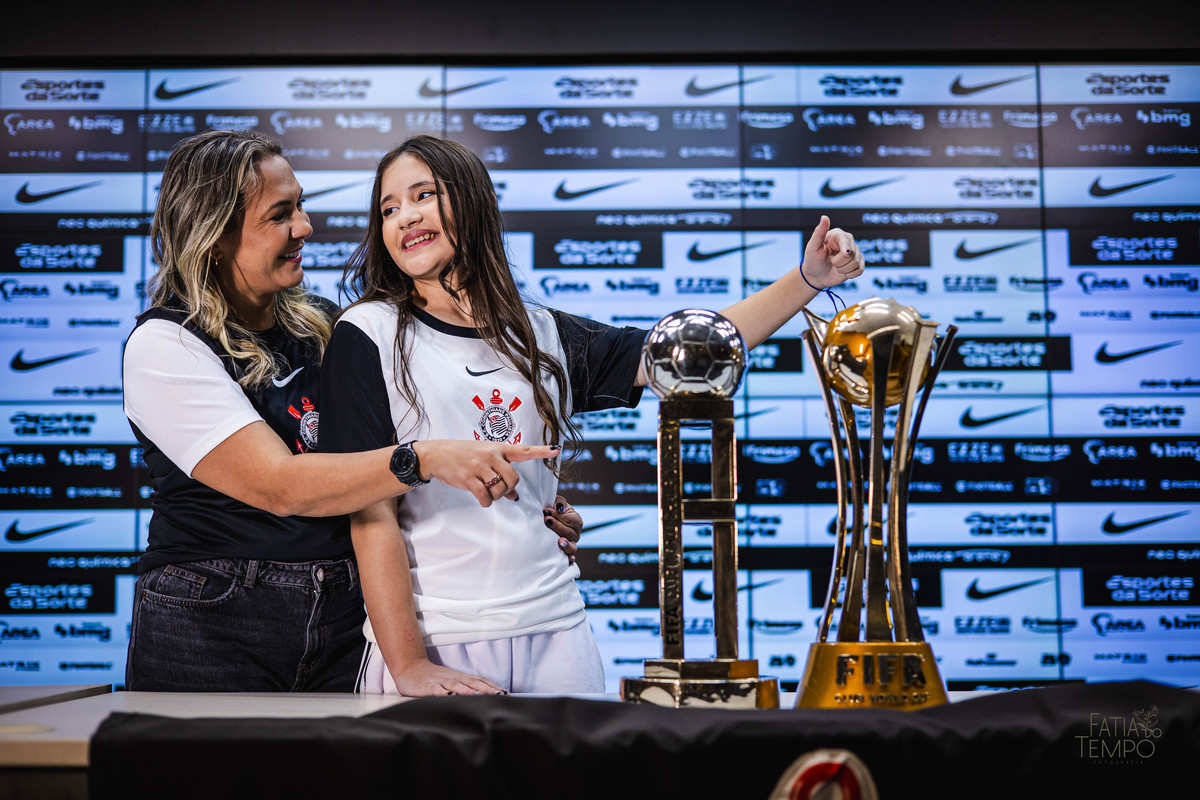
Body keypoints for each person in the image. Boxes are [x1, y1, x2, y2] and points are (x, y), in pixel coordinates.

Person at [319, 135, 865, 695]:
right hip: (436, 636)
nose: (405, 217)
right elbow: (368, 514)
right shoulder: (369, 333)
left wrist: (807, 281)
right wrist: (409, 665)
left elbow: (691, 347)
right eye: (388, 209)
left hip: (557, 628)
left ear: (472, 200)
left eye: (423, 196)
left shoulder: (543, 333)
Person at [121, 128, 580, 693]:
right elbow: (281, 485)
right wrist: (424, 460)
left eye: (302, 206)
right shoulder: (164, 345)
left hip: (343, 614)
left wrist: (526, 505)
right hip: (213, 618)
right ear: (214, 237)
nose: (305, 228)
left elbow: (396, 449)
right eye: (279, 215)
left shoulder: (325, 322)